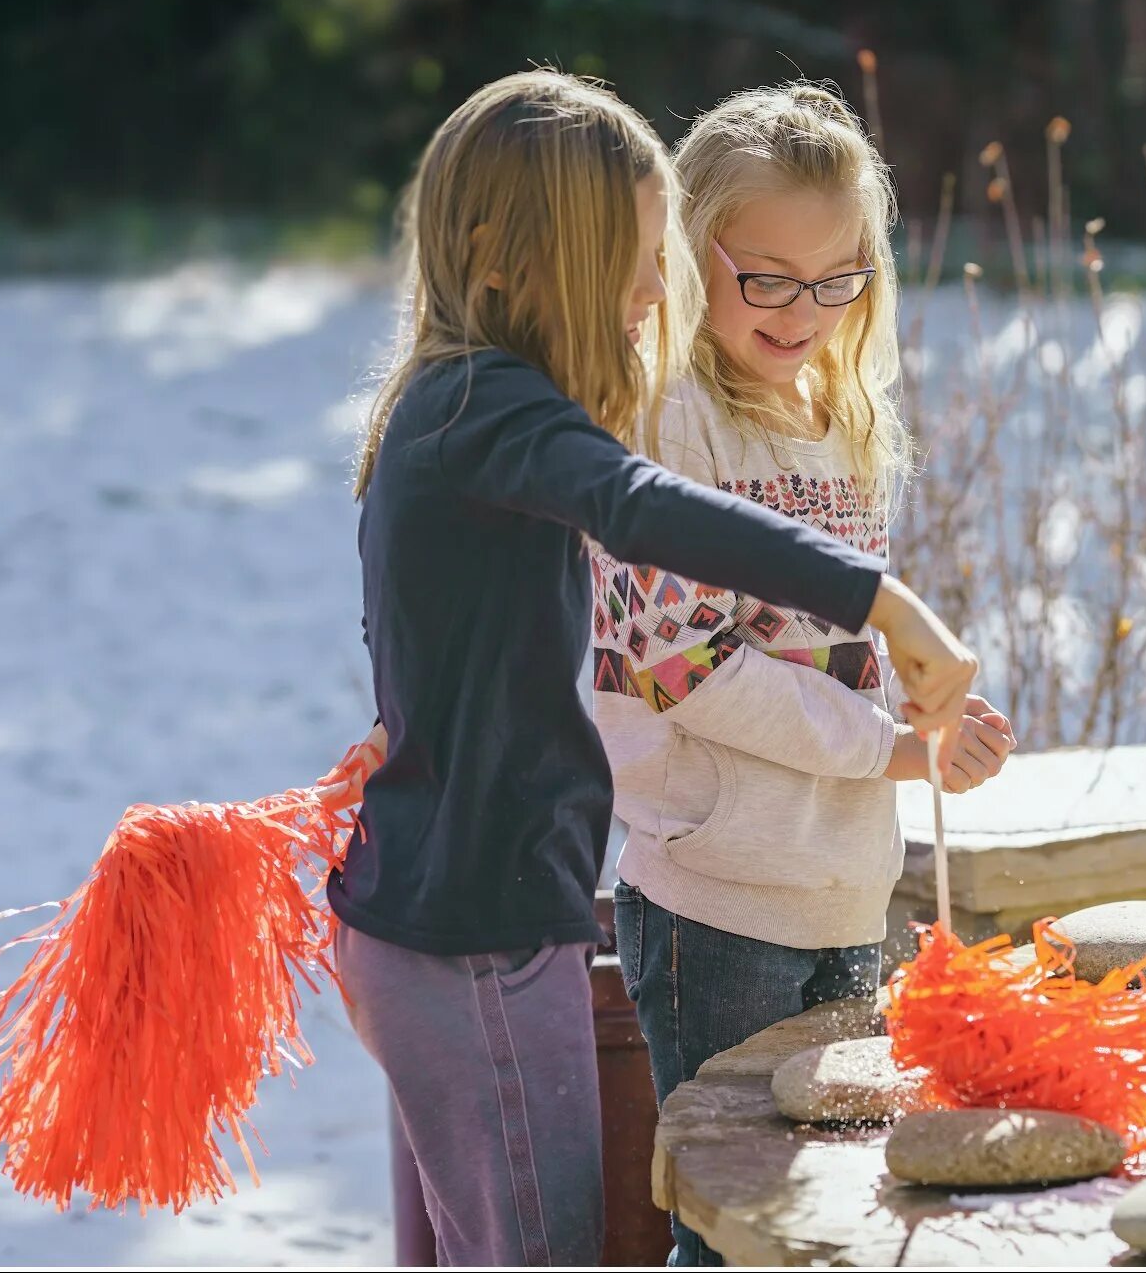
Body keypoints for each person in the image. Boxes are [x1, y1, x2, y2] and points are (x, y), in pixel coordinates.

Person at [329, 69, 978, 1267]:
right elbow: (638, 508)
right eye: (637, 252)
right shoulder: (489, 410)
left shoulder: (456, 407)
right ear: (501, 251)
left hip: (458, 909)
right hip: (471, 933)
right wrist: (880, 602)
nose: (654, 285)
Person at [590, 83, 1015, 1265]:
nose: (802, 311)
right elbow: (687, 669)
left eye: (837, 281)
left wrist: (922, 716)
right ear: (683, 253)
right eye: (764, 277)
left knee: (828, 1215)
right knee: (729, 1226)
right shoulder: (661, 424)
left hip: (841, 874)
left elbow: (834, 646)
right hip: (715, 899)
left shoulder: (838, 419)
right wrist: (889, 747)